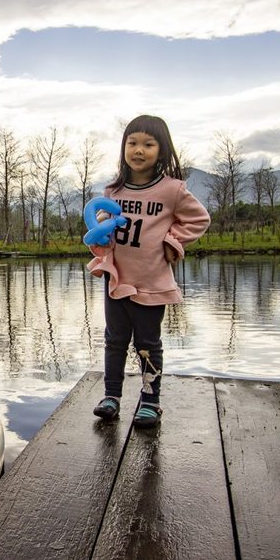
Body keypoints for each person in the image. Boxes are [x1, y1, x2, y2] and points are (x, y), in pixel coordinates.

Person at [87, 114, 210, 429]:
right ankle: (111, 397)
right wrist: (100, 241)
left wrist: (174, 242)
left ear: (162, 150)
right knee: (114, 339)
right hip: (117, 277)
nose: (138, 150)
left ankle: (150, 401)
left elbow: (199, 220)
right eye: (132, 143)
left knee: (147, 342)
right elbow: (104, 231)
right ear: (123, 147)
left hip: (151, 281)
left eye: (148, 144)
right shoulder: (114, 190)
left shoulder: (172, 190)